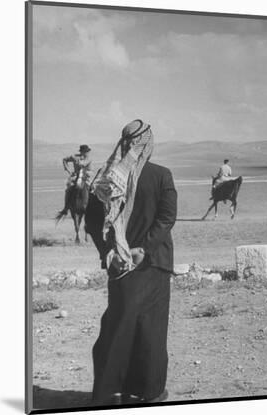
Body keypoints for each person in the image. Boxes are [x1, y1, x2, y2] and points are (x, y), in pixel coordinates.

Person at [89, 119, 177, 406]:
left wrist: (110, 251)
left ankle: (112, 392)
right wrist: (143, 250)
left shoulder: (104, 177)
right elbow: (166, 218)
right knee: (151, 328)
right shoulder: (162, 175)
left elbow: (92, 222)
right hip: (152, 264)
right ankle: (149, 393)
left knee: (119, 325)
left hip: (120, 267)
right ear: (147, 144)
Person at [61, 144, 92, 210]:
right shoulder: (75, 157)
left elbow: (83, 164)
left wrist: (75, 159)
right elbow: (64, 160)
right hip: (76, 176)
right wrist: (69, 171)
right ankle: (66, 207)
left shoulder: (88, 159)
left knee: (93, 190)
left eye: (87, 151)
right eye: (86, 151)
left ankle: (93, 208)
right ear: (82, 152)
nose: (87, 153)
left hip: (87, 177)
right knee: (68, 189)